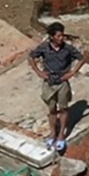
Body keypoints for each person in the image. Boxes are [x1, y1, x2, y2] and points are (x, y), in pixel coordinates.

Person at [29, 23, 83, 153]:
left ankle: (61, 135)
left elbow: (81, 58)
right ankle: (53, 133)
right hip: (49, 82)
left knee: (63, 109)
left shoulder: (68, 49)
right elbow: (31, 57)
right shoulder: (44, 48)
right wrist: (38, 72)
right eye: (58, 35)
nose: (61, 38)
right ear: (52, 37)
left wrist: (72, 72)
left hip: (62, 82)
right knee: (52, 109)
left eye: (62, 35)